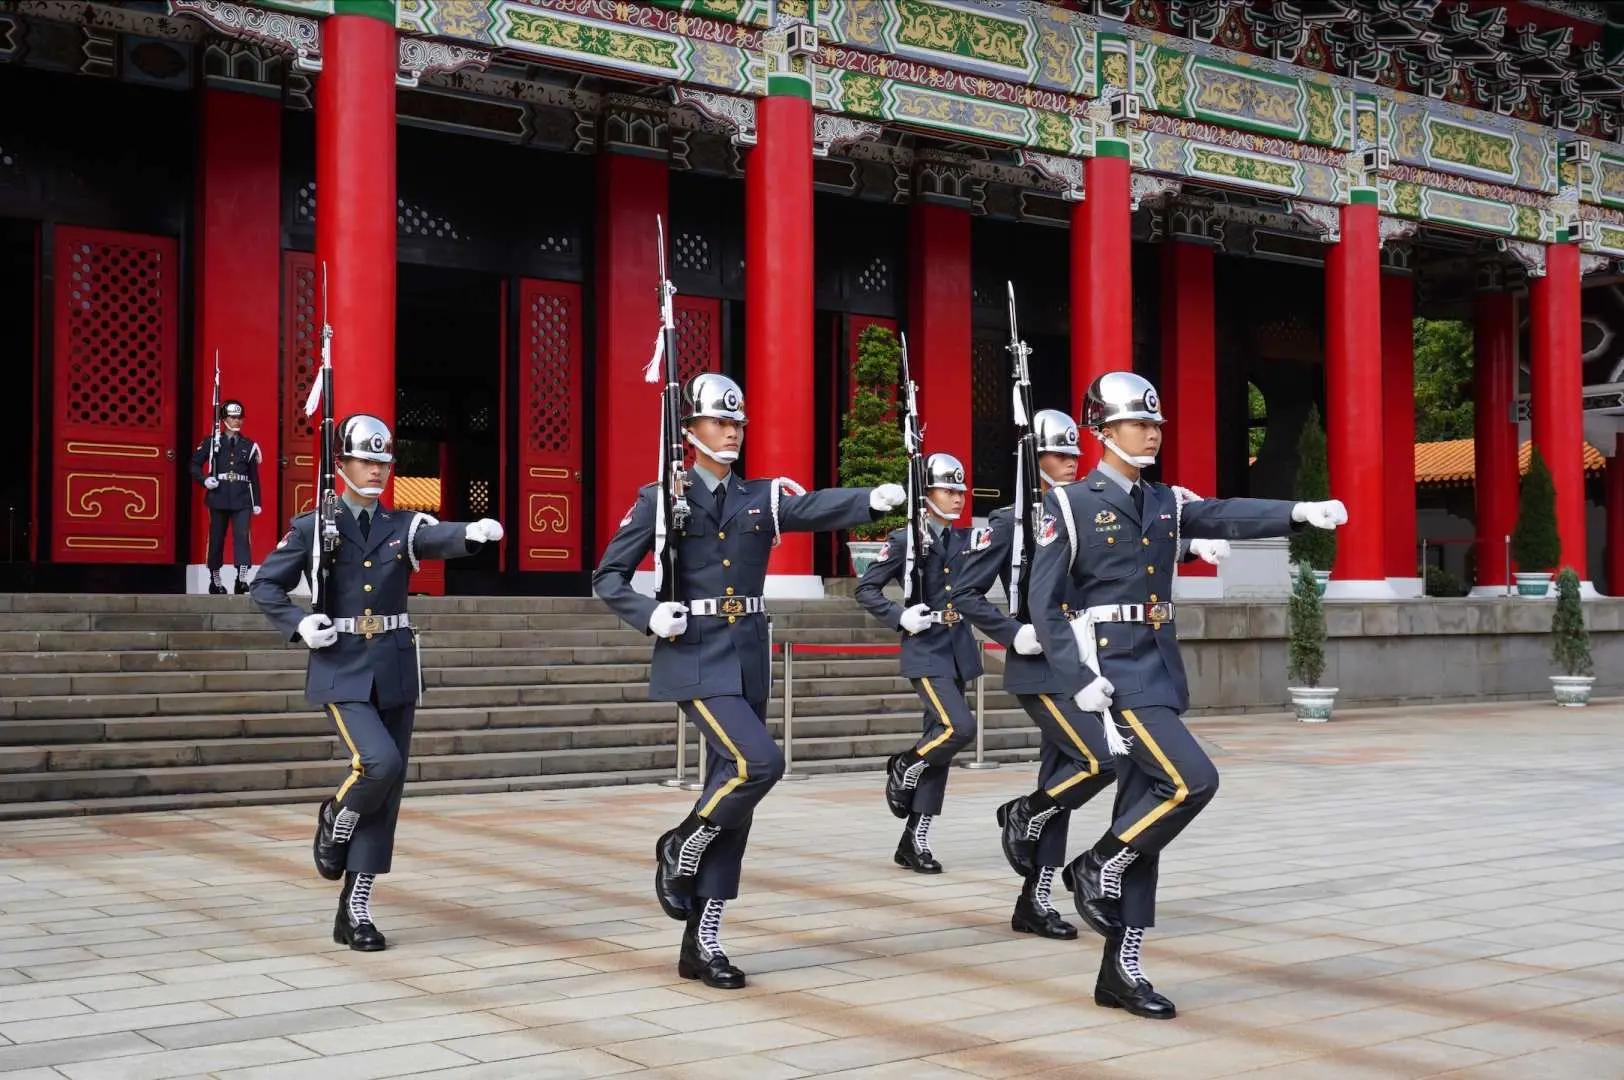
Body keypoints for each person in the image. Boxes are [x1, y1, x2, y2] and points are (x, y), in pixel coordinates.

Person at [1029, 372, 1347, 1020]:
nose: (1150, 432)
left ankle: (1122, 969)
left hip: (1162, 670)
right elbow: (1044, 604)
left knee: (1143, 816)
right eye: (1136, 423)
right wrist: (1079, 678)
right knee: (1191, 781)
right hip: (1116, 676)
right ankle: (1093, 865)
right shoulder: (1069, 505)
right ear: (1102, 430)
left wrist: (1296, 512)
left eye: (1155, 424)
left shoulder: (1165, 500)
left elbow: (1224, 511)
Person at [593, 373, 904, 990]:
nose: (732, 431)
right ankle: (679, 842)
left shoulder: (761, 495)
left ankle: (703, 940)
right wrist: (649, 612)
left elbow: (809, 507)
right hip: (695, 654)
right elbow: (609, 575)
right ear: (689, 431)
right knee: (758, 764)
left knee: (733, 794)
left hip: (747, 653)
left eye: (738, 423)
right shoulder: (662, 497)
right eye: (719, 422)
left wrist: (871, 499)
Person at [954, 409, 1231, 940]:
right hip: (1044, 667)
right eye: (1057, 456)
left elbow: (1113, 571)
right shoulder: (1013, 520)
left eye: (1073, 454)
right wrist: (1013, 632)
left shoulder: (1087, 509)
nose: (1068, 464)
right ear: (1031, 461)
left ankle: (1035, 897)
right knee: (1098, 761)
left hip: (1096, 661)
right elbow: (965, 593)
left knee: (1064, 779)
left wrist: (1190, 547)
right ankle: (1026, 815)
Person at [250, 414, 504, 952]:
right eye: (364, 460)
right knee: (377, 764)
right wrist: (299, 623)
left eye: (383, 462)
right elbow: (265, 584)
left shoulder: (402, 524)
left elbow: (433, 537)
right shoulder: (312, 526)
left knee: (387, 792)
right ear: (339, 465)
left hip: (392, 665)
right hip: (341, 664)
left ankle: (356, 907)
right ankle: (335, 813)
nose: (375, 470)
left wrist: (470, 534)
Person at [853, 452, 983, 875]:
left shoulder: (967, 541)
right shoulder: (907, 539)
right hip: (925, 648)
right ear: (926, 495)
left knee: (939, 747)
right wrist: (899, 616)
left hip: (957, 647)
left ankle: (915, 839)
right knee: (957, 727)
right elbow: (867, 589)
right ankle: (904, 764)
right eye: (948, 489)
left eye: (961, 490)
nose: (958, 497)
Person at [189, 399, 262, 594]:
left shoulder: (249, 445)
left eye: (240, 417)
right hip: (219, 495)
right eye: (232, 417)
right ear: (223, 419)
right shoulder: (212, 442)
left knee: (242, 537)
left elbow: (253, 477)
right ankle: (215, 580)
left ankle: (242, 578)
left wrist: (257, 502)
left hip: (242, 497)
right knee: (216, 538)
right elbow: (194, 465)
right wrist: (204, 480)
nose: (237, 421)